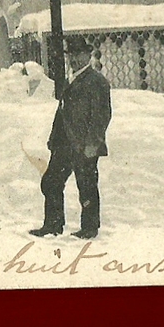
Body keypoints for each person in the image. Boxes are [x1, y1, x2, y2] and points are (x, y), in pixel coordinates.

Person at [31, 37, 112, 240]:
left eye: (79, 55)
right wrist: (53, 138)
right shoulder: (72, 79)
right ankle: (53, 225)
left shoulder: (97, 81)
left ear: (88, 55)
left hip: (84, 145)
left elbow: (102, 116)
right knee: (50, 182)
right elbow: (62, 112)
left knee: (86, 186)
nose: (74, 59)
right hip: (64, 144)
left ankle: (90, 228)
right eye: (72, 55)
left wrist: (93, 144)